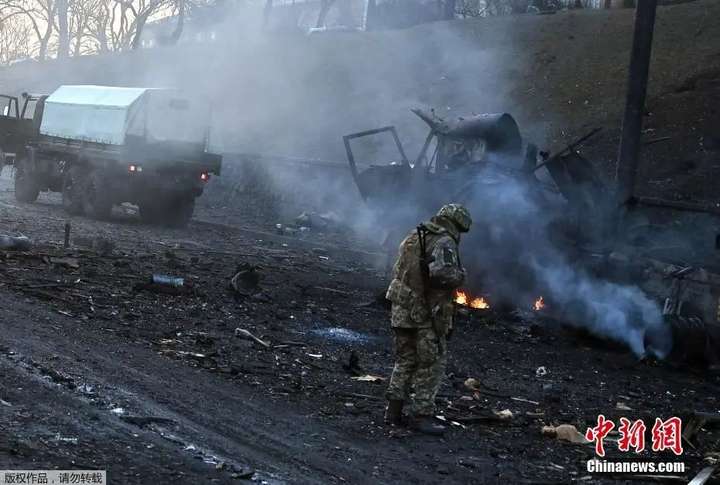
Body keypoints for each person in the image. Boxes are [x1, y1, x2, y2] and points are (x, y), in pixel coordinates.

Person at [384, 203, 472, 435]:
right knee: (431, 363)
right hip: (424, 311)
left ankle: (393, 411)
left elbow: (401, 268)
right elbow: (443, 274)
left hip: (402, 307)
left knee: (405, 359)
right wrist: (461, 276)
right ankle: (422, 415)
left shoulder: (416, 235)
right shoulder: (444, 241)